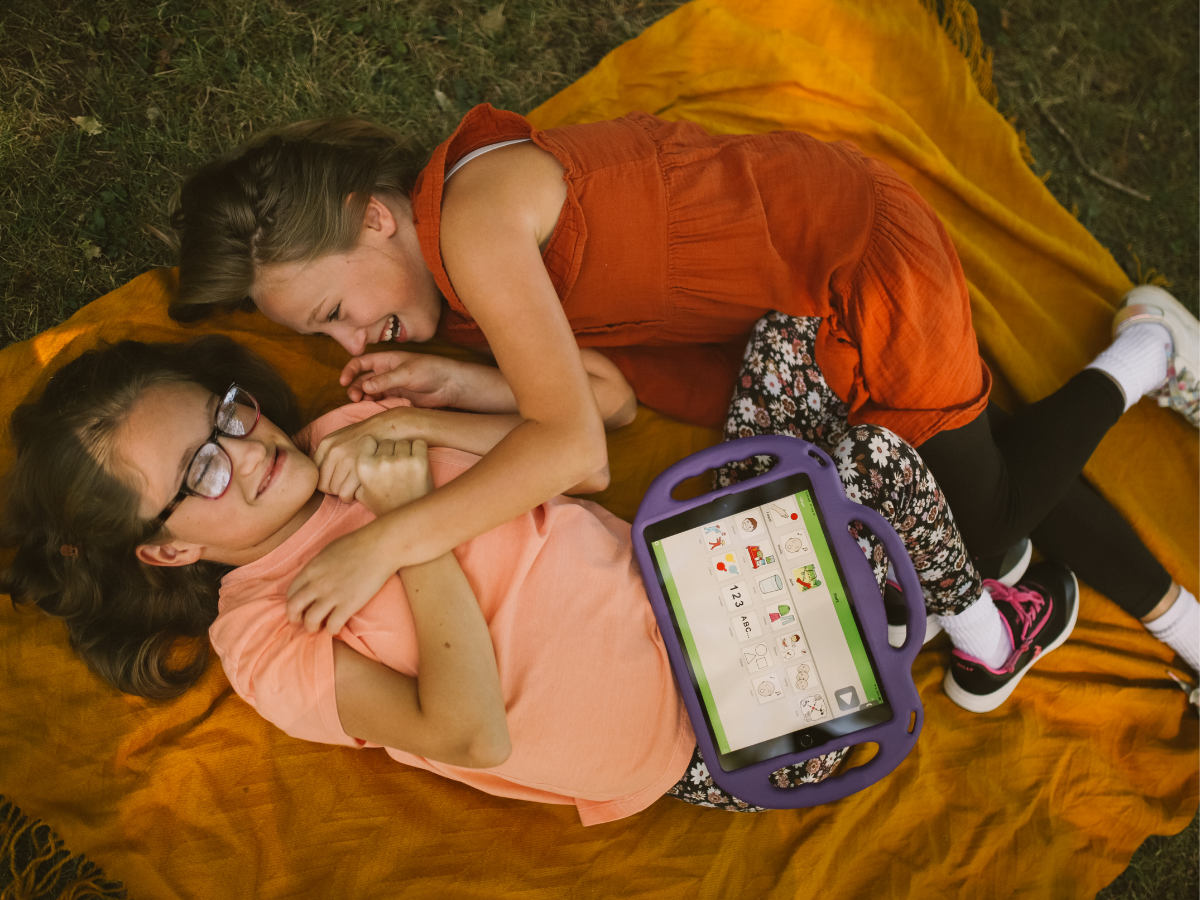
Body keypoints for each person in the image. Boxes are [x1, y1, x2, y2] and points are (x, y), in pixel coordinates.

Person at [164, 107, 1197, 708]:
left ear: (374, 220)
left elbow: (574, 452)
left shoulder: (473, 226)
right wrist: (454, 391)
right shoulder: (457, 294)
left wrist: (388, 542)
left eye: (336, 314)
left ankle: (1148, 350)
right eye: (328, 341)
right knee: (973, 484)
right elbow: (607, 400)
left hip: (844, 262)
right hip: (763, 326)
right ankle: (1188, 630)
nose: (353, 345)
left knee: (974, 521)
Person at [0, 337, 1076, 825]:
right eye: (199, 471)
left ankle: (968, 563)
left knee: (793, 343)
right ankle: (983, 628)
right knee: (883, 466)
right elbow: (472, 735)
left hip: (693, 574)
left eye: (226, 414)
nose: (245, 449)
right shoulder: (265, 639)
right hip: (714, 732)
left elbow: (579, 452)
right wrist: (402, 532)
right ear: (166, 550)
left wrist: (448, 394)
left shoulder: (352, 431)